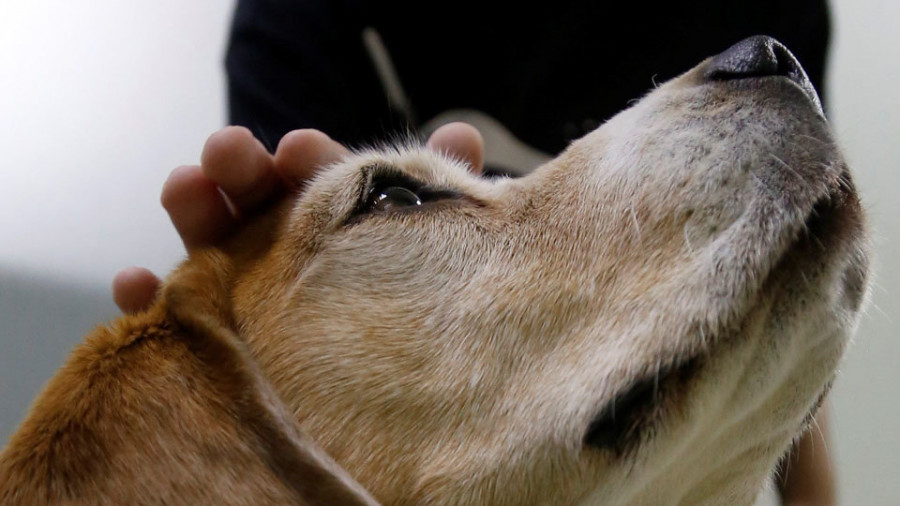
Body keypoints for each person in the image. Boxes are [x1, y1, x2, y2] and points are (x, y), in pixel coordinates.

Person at [112, 1, 838, 503]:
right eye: (400, 201)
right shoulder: (306, 20)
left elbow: (773, 286)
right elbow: (281, 290)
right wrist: (170, 405)